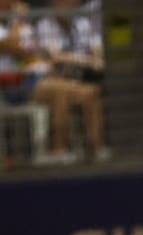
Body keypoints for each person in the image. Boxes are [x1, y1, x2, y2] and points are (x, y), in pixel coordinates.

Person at [29, 0, 106, 162]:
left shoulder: (82, 23)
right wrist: (86, 60)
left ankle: (96, 149)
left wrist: (91, 58)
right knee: (61, 90)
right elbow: (55, 56)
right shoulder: (45, 25)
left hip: (71, 81)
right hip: (42, 81)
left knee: (91, 93)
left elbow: (97, 52)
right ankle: (58, 150)